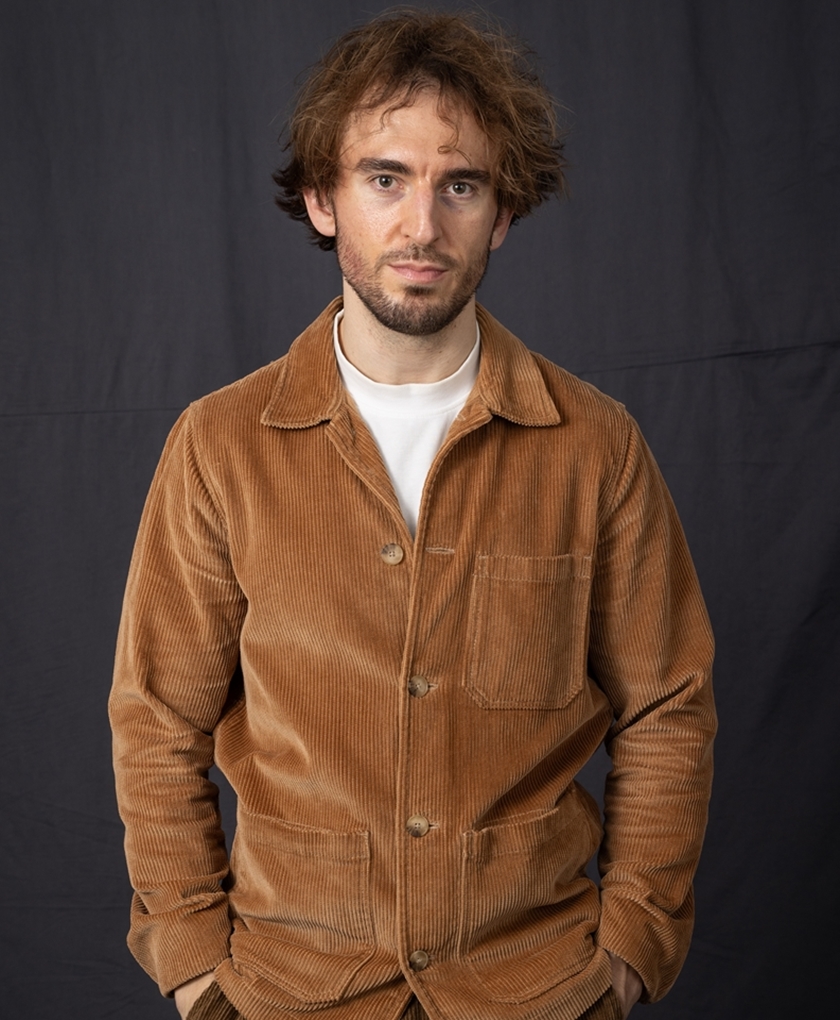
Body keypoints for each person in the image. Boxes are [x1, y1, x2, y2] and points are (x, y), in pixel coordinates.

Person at [109, 10, 716, 1020]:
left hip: (538, 990)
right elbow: (157, 720)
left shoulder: (595, 447)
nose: (423, 227)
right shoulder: (219, 446)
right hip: (287, 992)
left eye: (460, 185)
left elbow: (668, 707)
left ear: (503, 211)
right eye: (385, 179)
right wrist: (193, 969)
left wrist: (629, 951)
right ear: (323, 199)